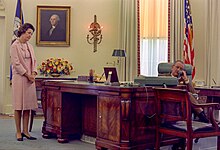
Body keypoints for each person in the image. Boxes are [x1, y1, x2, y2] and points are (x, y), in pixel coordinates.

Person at [10, 23, 38, 141]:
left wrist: (33, 74)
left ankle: (26, 131)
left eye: (31, 34)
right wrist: (27, 75)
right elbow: (16, 64)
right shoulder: (14, 46)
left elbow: (34, 61)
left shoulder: (30, 46)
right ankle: (18, 132)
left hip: (30, 80)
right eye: (28, 33)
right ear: (22, 32)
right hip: (20, 78)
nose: (30, 36)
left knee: (27, 106)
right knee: (18, 106)